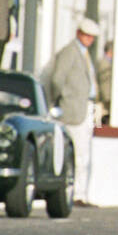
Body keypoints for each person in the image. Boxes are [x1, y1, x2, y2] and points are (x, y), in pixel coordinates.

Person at [45, 18, 100, 208]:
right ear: (78, 33)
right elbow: (57, 79)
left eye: (92, 37)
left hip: (86, 108)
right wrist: (62, 100)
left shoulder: (83, 53)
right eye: (86, 35)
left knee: (84, 154)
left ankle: (81, 193)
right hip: (73, 109)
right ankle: (75, 193)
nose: (89, 39)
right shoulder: (70, 52)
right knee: (77, 153)